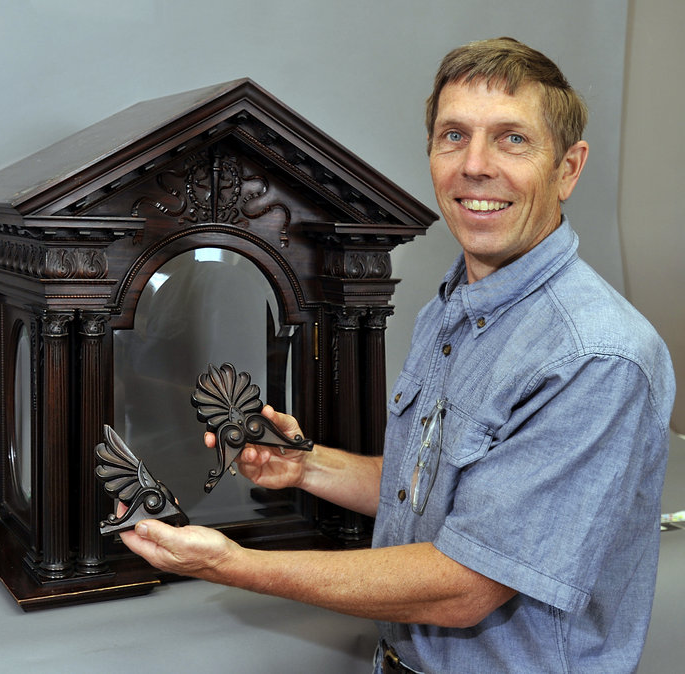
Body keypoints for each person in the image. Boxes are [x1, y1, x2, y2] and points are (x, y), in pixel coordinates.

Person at [119, 37, 676, 673]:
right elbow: (435, 492)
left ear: (569, 169)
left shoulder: (596, 357)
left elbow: (465, 585)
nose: (475, 165)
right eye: (454, 135)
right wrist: (305, 467)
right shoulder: (453, 306)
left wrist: (232, 564)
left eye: (512, 139)